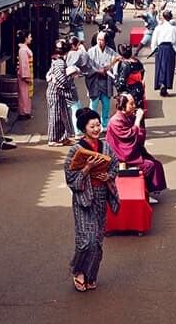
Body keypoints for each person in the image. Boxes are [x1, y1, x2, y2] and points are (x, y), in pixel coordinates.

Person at [63, 108, 120, 292]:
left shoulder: (106, 147)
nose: (96, 129)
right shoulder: (75, 150)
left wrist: (108, 176)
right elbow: (70, 178)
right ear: (84, 128)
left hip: (101, 195)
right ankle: (78, 269)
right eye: (92, 126)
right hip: (83, 198)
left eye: (98, 125)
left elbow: (115, 164)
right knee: (85, 240)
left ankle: (90, 275)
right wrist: (86, 168)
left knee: (96, 240)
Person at [106, 93, 167, 203]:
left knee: (156, 163)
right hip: (121, 155)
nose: (134, 106)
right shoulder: (116, 121)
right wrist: (138, 120)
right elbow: (128, 137)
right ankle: (146, 192)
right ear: (123, 106)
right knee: (149, 166)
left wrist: (138, 123)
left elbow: (138, 135)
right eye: (131, 104)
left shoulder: (129, 117)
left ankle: (148, 191)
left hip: (131, 151)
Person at [85, 31, 121, 130]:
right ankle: (91, 125)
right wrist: (97, 70)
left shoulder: (110, 51)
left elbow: (117, 59)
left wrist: (112, 68)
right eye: (98, 39)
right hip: (94, 81)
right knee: (93, 105)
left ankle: (105, 124)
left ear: (106, 41)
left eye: (102, 40)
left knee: (106, 105)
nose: (100, 42)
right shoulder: (91, 51)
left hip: (106, 81)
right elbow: (88, 66)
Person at [45, 39, 77, 147]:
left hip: (58, 92)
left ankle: (63, 137)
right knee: (56, 116)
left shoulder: (57, 60)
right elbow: (63, 81)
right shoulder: (59, 63)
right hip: (56, 92)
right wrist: (71, 76)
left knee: (63, 115)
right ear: (67, 52)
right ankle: (53, 139)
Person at [151, 10, 176, 97]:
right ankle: (166, 86)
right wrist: (175, 50)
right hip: (169, 48)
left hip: (160, 48)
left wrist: (154, 50)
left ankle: (161, 84)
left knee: (160, 67)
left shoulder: (158, 28)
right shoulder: (173, 28)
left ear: (163, 18)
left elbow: (154, 40)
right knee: (169, 68)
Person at [65, 36, 90, 136]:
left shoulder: (65, 54)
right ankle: (78, 132)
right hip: (69, 85)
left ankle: (66, 132)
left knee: (64, 110)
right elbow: (85, 60)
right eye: (78, 44)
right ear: (73, 45)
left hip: (62, 85)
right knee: (76, 107)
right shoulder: (75, 53)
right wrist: (82, 49)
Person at [113, 44, 146, 109]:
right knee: (139, 110)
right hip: (139, 88)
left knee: (131, 113)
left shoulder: (125, 65)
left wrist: (115, 79)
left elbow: (121, 84)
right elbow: (142, 72)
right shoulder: (137, 61)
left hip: (130, 92)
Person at [16, 30, 34, 121]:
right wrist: (27, 76)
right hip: (24, 75)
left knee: (26, 94)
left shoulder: (24, 49)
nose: (31, 38)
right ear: (26, 38)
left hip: (27, 73)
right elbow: (24, 65)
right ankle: (23, 112)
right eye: (30, 37)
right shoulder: (23, 50)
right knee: (23, 94)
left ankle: (26, 111)